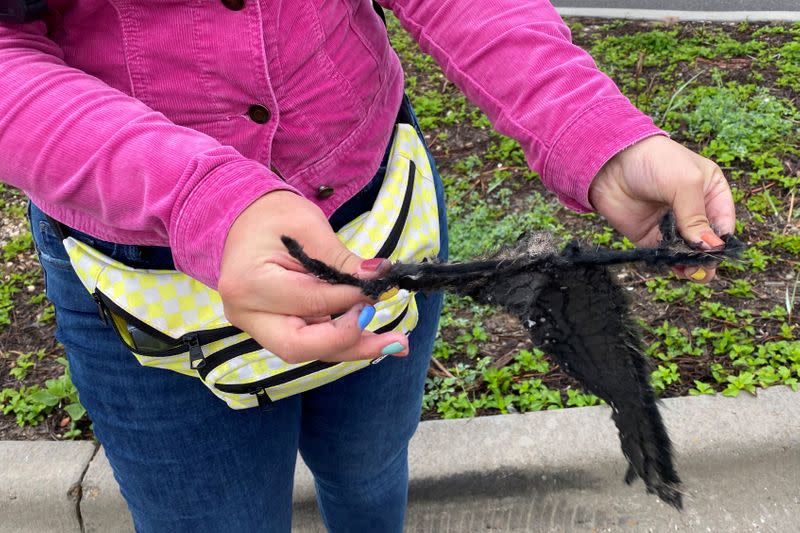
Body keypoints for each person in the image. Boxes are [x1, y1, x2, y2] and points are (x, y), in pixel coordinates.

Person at [0, 1, 735, 531]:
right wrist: (199, 196)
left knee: (370, 466)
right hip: (147, 272)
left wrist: (592, 130)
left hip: (376, 211)